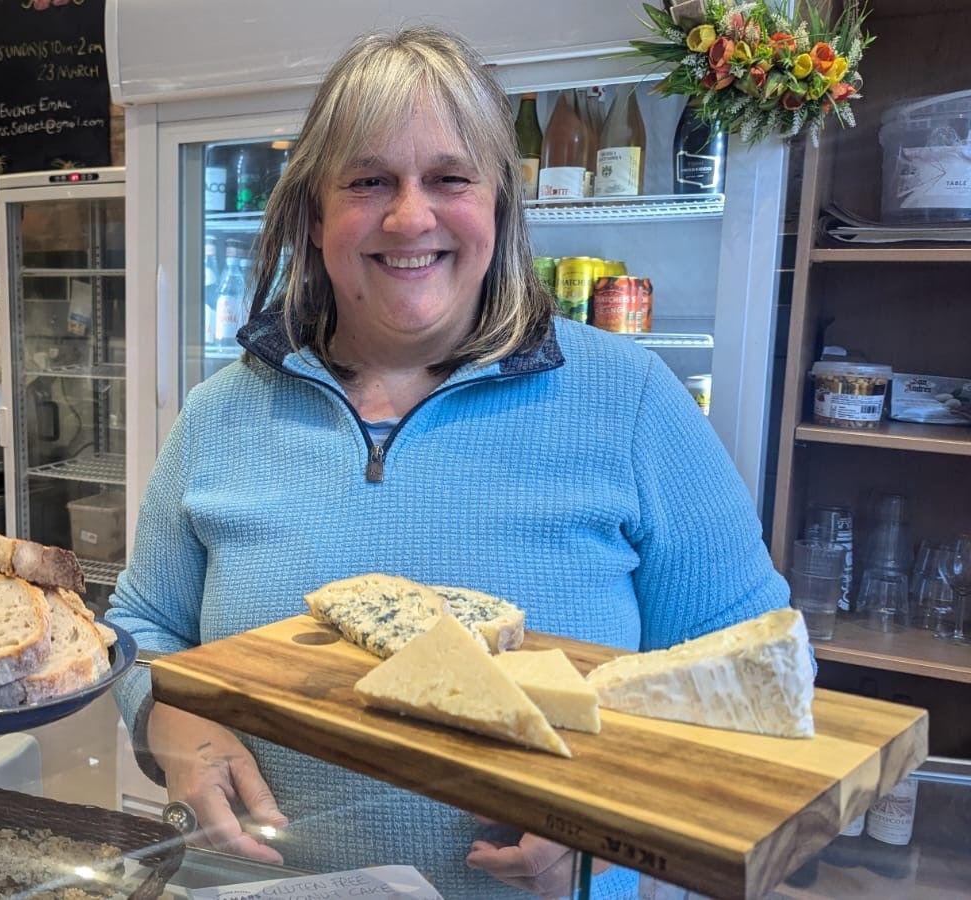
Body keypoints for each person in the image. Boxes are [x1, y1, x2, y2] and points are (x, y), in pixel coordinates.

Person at [105, 25, 792, 899]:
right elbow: (140, 623)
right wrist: (165, 712)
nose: (409, 216)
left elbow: (751, 677)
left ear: (499, 205)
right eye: (368, 181)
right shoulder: (221, 412)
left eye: (449, 178)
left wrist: (615, 822)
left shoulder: (633, 404)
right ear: (315, 217)